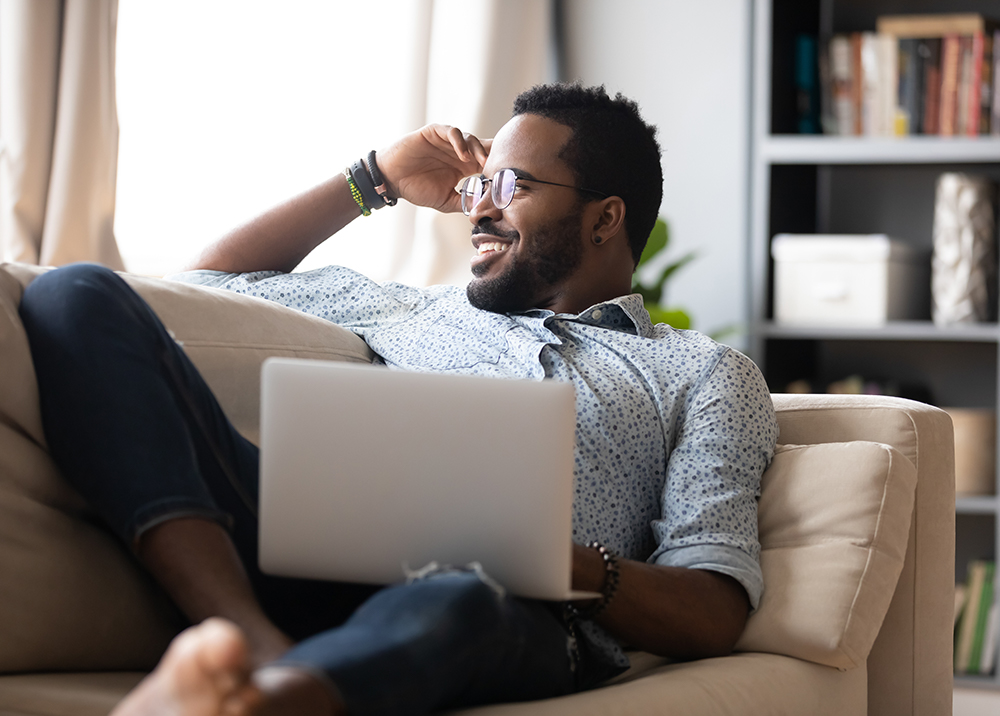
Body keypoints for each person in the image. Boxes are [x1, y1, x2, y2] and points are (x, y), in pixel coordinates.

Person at [18, 83, 777, 716]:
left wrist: (552, 561)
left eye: (510, 186)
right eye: (479, 184)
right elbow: (190, 293)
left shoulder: (702, 373)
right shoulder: (408, 308)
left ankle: (264, 701)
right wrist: (372, 177)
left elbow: (713, 607)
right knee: (75, 294)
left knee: (460, 595)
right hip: (314, 558)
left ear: (605, 217)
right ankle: (241, 636)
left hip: (510, 615)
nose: (478, 208)